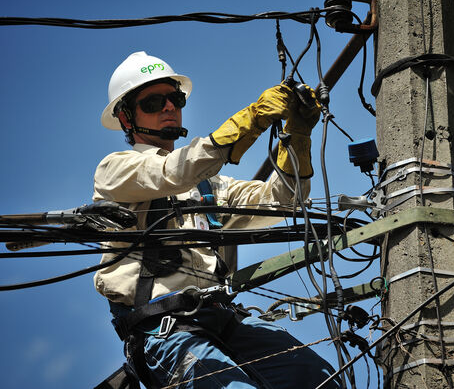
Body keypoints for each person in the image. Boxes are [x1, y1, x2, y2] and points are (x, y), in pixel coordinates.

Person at [93, 51, 340, 389]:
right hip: (163, 330)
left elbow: (283, 201)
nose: (169, 107)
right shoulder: (115, 172)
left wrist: (297, 134)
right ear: (125, 118)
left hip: (224, 321)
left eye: (174, 98)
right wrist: (252, 119)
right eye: (153, 102)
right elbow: (175, 171)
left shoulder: (210, 187)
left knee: (320, 378)